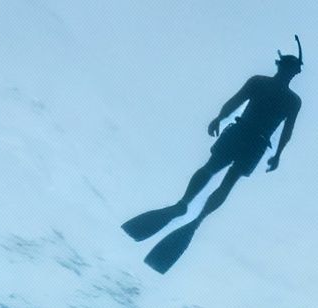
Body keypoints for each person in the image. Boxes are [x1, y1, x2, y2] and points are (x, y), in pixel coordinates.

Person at [122, 41, 305, 273]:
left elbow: (277, 124)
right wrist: (220, 117)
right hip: (250, 139)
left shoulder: (276, 92)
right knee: (218, 176)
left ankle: (187, 209)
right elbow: (240, 102)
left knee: (216, 174)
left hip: (248, 137)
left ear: (284, 68)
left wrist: (223, 118)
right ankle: (188, 210)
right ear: (293, 70)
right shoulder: (278, 93)